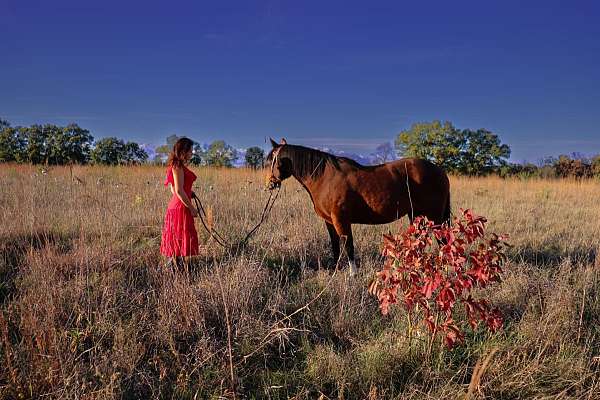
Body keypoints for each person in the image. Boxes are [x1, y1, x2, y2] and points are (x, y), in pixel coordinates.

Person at [160, 137, 199, 267]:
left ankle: (177, 268)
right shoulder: (177, 166)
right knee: (178, 239)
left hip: (178, 205)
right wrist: (192, 208)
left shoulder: (177, 166)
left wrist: (189, 193)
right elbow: (178, 190)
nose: (192, 153)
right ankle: (172, 269)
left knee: (179, 238)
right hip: (180, 208)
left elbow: (175, 189)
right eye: (190, 151)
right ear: (183, 151)